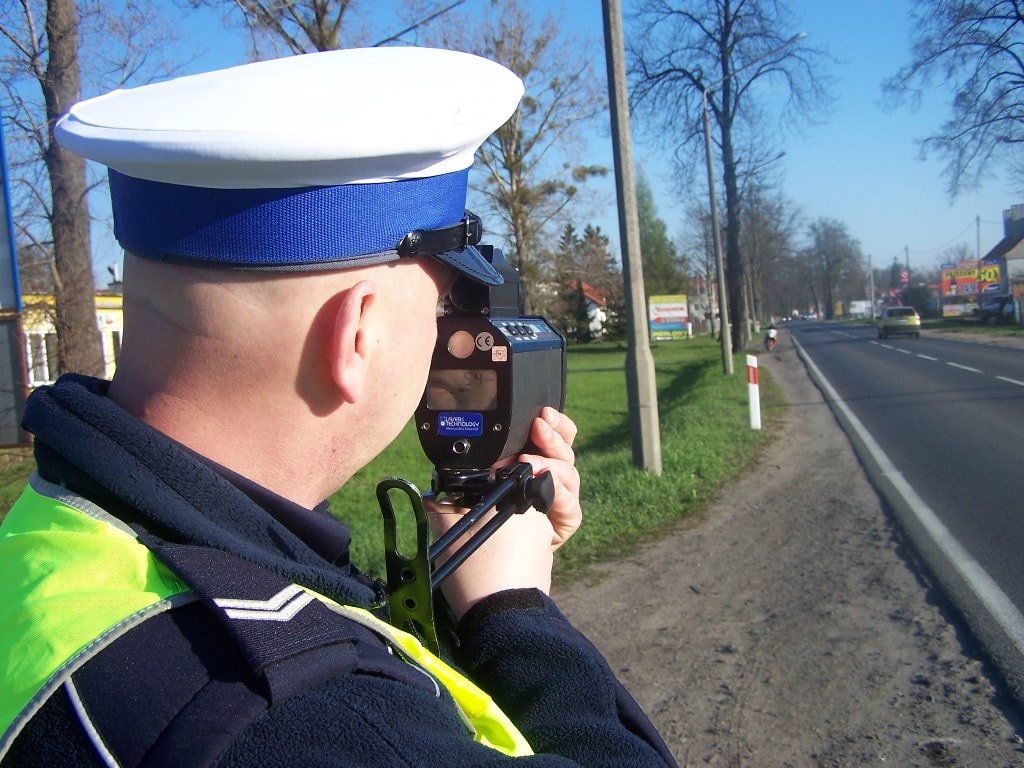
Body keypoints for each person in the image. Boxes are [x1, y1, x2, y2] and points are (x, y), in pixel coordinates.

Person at [0, 47, 677, 767]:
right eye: (440, 304)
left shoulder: (52, 542)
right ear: (360, 334)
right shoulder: (313, 718)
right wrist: (513, 613)